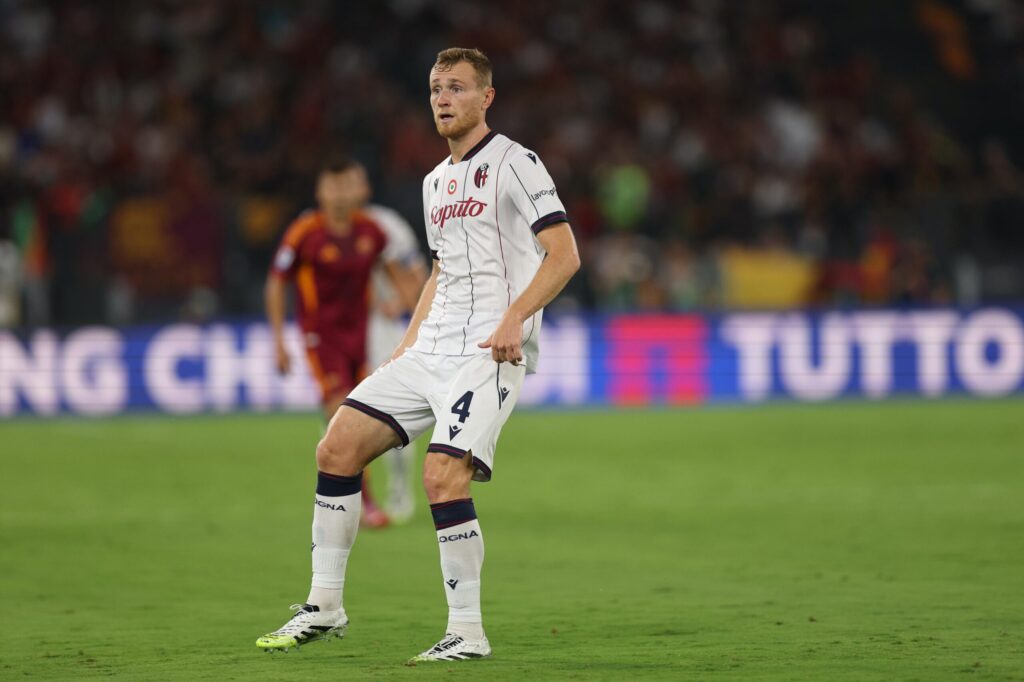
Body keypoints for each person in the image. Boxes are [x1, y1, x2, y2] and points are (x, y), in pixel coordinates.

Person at [256, 47, 581, 663]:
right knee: (336, 446)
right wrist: (407, 344)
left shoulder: (516, 162)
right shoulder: (434, 182)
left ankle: (468, 632)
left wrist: (515, 316)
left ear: (486, 97)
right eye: (435, 89)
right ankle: (324, 605)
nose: (443, 99)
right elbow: (440, 270)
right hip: (430, 347)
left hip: (489, 350)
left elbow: (564, 255)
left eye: (456, 87)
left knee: (441, 476)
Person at [265, 158, 419, 528]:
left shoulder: (371, 231)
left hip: (362, 338)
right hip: (322, 340)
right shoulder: (305, 232)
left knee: (365, 418)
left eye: (345, 186)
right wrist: (278, 340)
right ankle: (364, 502)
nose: (339, 194)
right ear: (320, 192)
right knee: (341, 413)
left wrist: (412, 313)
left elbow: (395, 273)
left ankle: (348, 494)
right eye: (332, 187)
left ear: (358, 190)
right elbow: (277, 282)